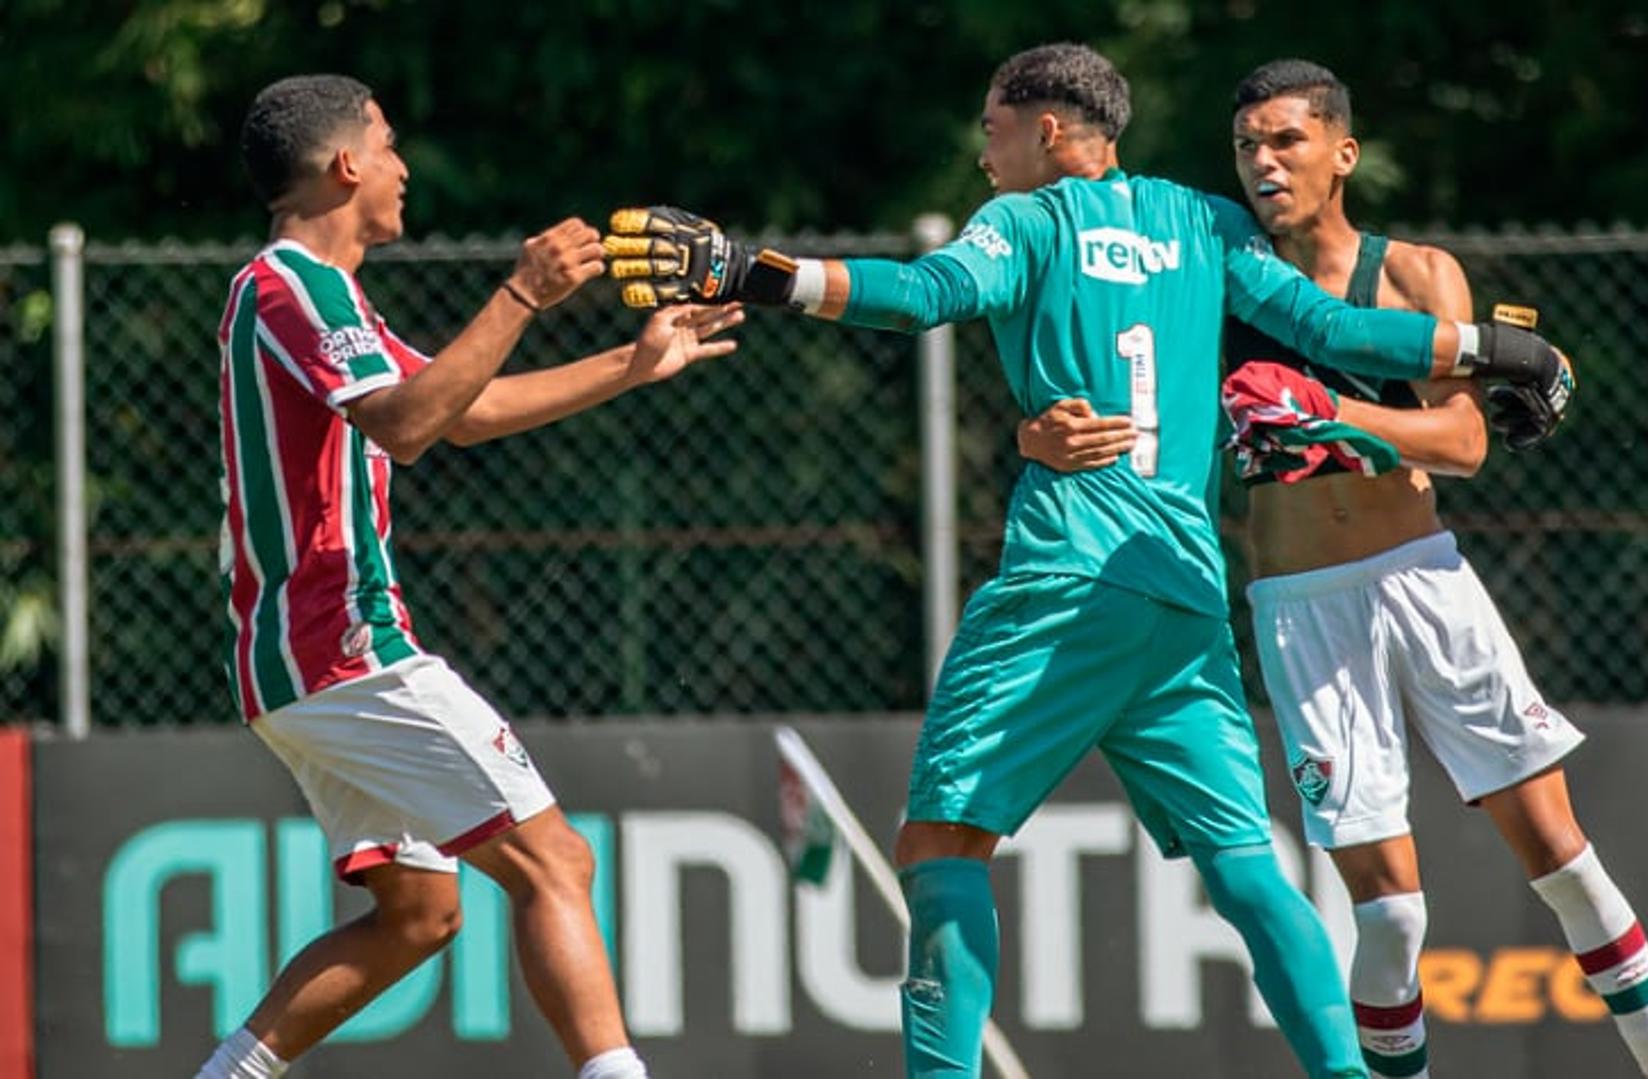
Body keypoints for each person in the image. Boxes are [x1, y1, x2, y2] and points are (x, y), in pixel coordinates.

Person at [606, 44, 1574, 1079]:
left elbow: (923, 291)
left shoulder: (1028, 220)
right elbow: (1338, 328)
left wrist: (753, 272)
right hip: (1186, 595)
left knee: (941, 848)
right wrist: (1494, 349)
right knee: (1248, 868)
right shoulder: (1206, 222)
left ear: (1051, 131)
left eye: (992, 129)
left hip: (1065, 579)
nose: (985, 156)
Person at [1018, 59, 1648, 1079]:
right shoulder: (1217, 273)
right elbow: (1129, 383)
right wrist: (1042, 434)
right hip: (1300, 607)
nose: (1262, 163)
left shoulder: (1416, 274)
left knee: (1561, 855)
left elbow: (1463, 444)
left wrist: (1332, 414)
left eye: (1285, 141)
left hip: (1422, 577)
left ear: (1343, 152)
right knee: (1392, 914)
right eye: (1247, 146)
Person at [200, 74, 743, 1079]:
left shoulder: (319, 296)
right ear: (346, 164)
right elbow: (407, 426)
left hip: (303, 659)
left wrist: (631, 364)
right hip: (345, 645)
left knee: (417, 914)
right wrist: (522, 292)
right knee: (556, 860)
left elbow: (461, 408)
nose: (405, 167)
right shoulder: (288, 283)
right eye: (391, 145)